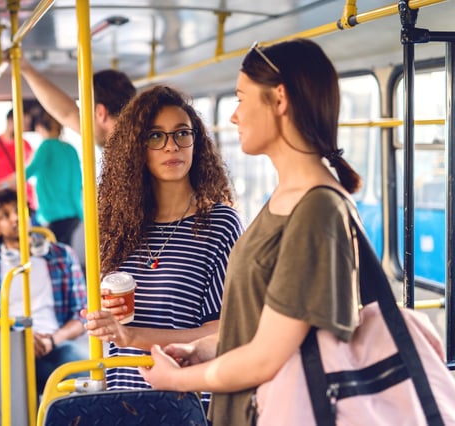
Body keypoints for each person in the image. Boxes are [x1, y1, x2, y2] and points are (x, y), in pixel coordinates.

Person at [137, 39, 363, 425]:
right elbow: (265, 325)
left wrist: (179, 378)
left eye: (241, 98)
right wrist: (206, 349)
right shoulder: (286, 199)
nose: (235, 116)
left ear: (279, 100)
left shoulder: (317, 210)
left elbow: (267, 357)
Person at [81, 85, 244, 412]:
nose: (172, 146)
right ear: (136, 149)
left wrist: (132, 338)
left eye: (182, 134)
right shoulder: (116, 226)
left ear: (196, 143)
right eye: (156, 136)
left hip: (187, 401)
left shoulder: (219, 224)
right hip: (122, 397)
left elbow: (225, 329)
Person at [0, 188, 87, 395]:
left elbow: (82, 316)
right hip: (7, 346)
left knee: (86, 377)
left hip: (54, 344)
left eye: (19, 210)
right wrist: (21, 339)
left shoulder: (62, 256)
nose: (16, 218)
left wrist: (51, 340)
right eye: (5, 215)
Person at [19, 57, 136, 147]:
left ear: (100, 113)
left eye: (86, 112)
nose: (83, 118)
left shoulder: (135, 149)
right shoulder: (123, 140)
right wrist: (25, 67)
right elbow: (67, 113)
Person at [24, 108, 83, 246]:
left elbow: (26, 173)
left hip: (53, 214)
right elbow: (78, 181)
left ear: (39, 127)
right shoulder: (70, 149)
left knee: (54, 257)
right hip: (74, 214)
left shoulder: (46, 146)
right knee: (65, 253)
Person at [0, 103, 37, 211]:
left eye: (26, 124)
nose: (24, 128)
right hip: (3, 201)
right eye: (22, 123)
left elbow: (30, 171)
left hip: (24, 199)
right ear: (10, 121)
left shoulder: (26, 145)